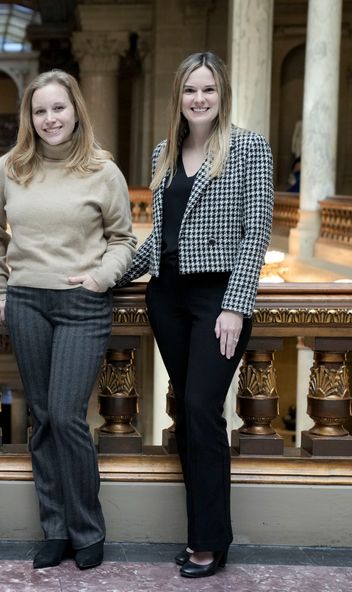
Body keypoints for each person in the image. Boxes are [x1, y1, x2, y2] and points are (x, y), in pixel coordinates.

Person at [116, 52, 273, 578]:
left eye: (207, 90)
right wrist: (103, 276)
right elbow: (157, 243)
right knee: (188, 414)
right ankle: (200, 534)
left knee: (204, 412)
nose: (199, 99)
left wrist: (234, 304)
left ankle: (210, 541)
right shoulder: (165, 151)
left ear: (221, 94)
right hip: (168, 298)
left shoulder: (249, 147)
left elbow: (256, 233)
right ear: (178, 97)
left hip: (216, 298)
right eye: (189, 91)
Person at [0, 69, 136, 570]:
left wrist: (99, 279)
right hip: (26, 303)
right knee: (42, 418)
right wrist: (1, 289)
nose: (50, 119)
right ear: (30, 116)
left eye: (58, 108)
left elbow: (123, 239)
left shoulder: (102, 170)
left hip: (82, 306)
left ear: (75, 111)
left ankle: (87, 530)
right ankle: (54, 529)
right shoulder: (11, 167)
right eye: (40, 110)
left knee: (68, 417)